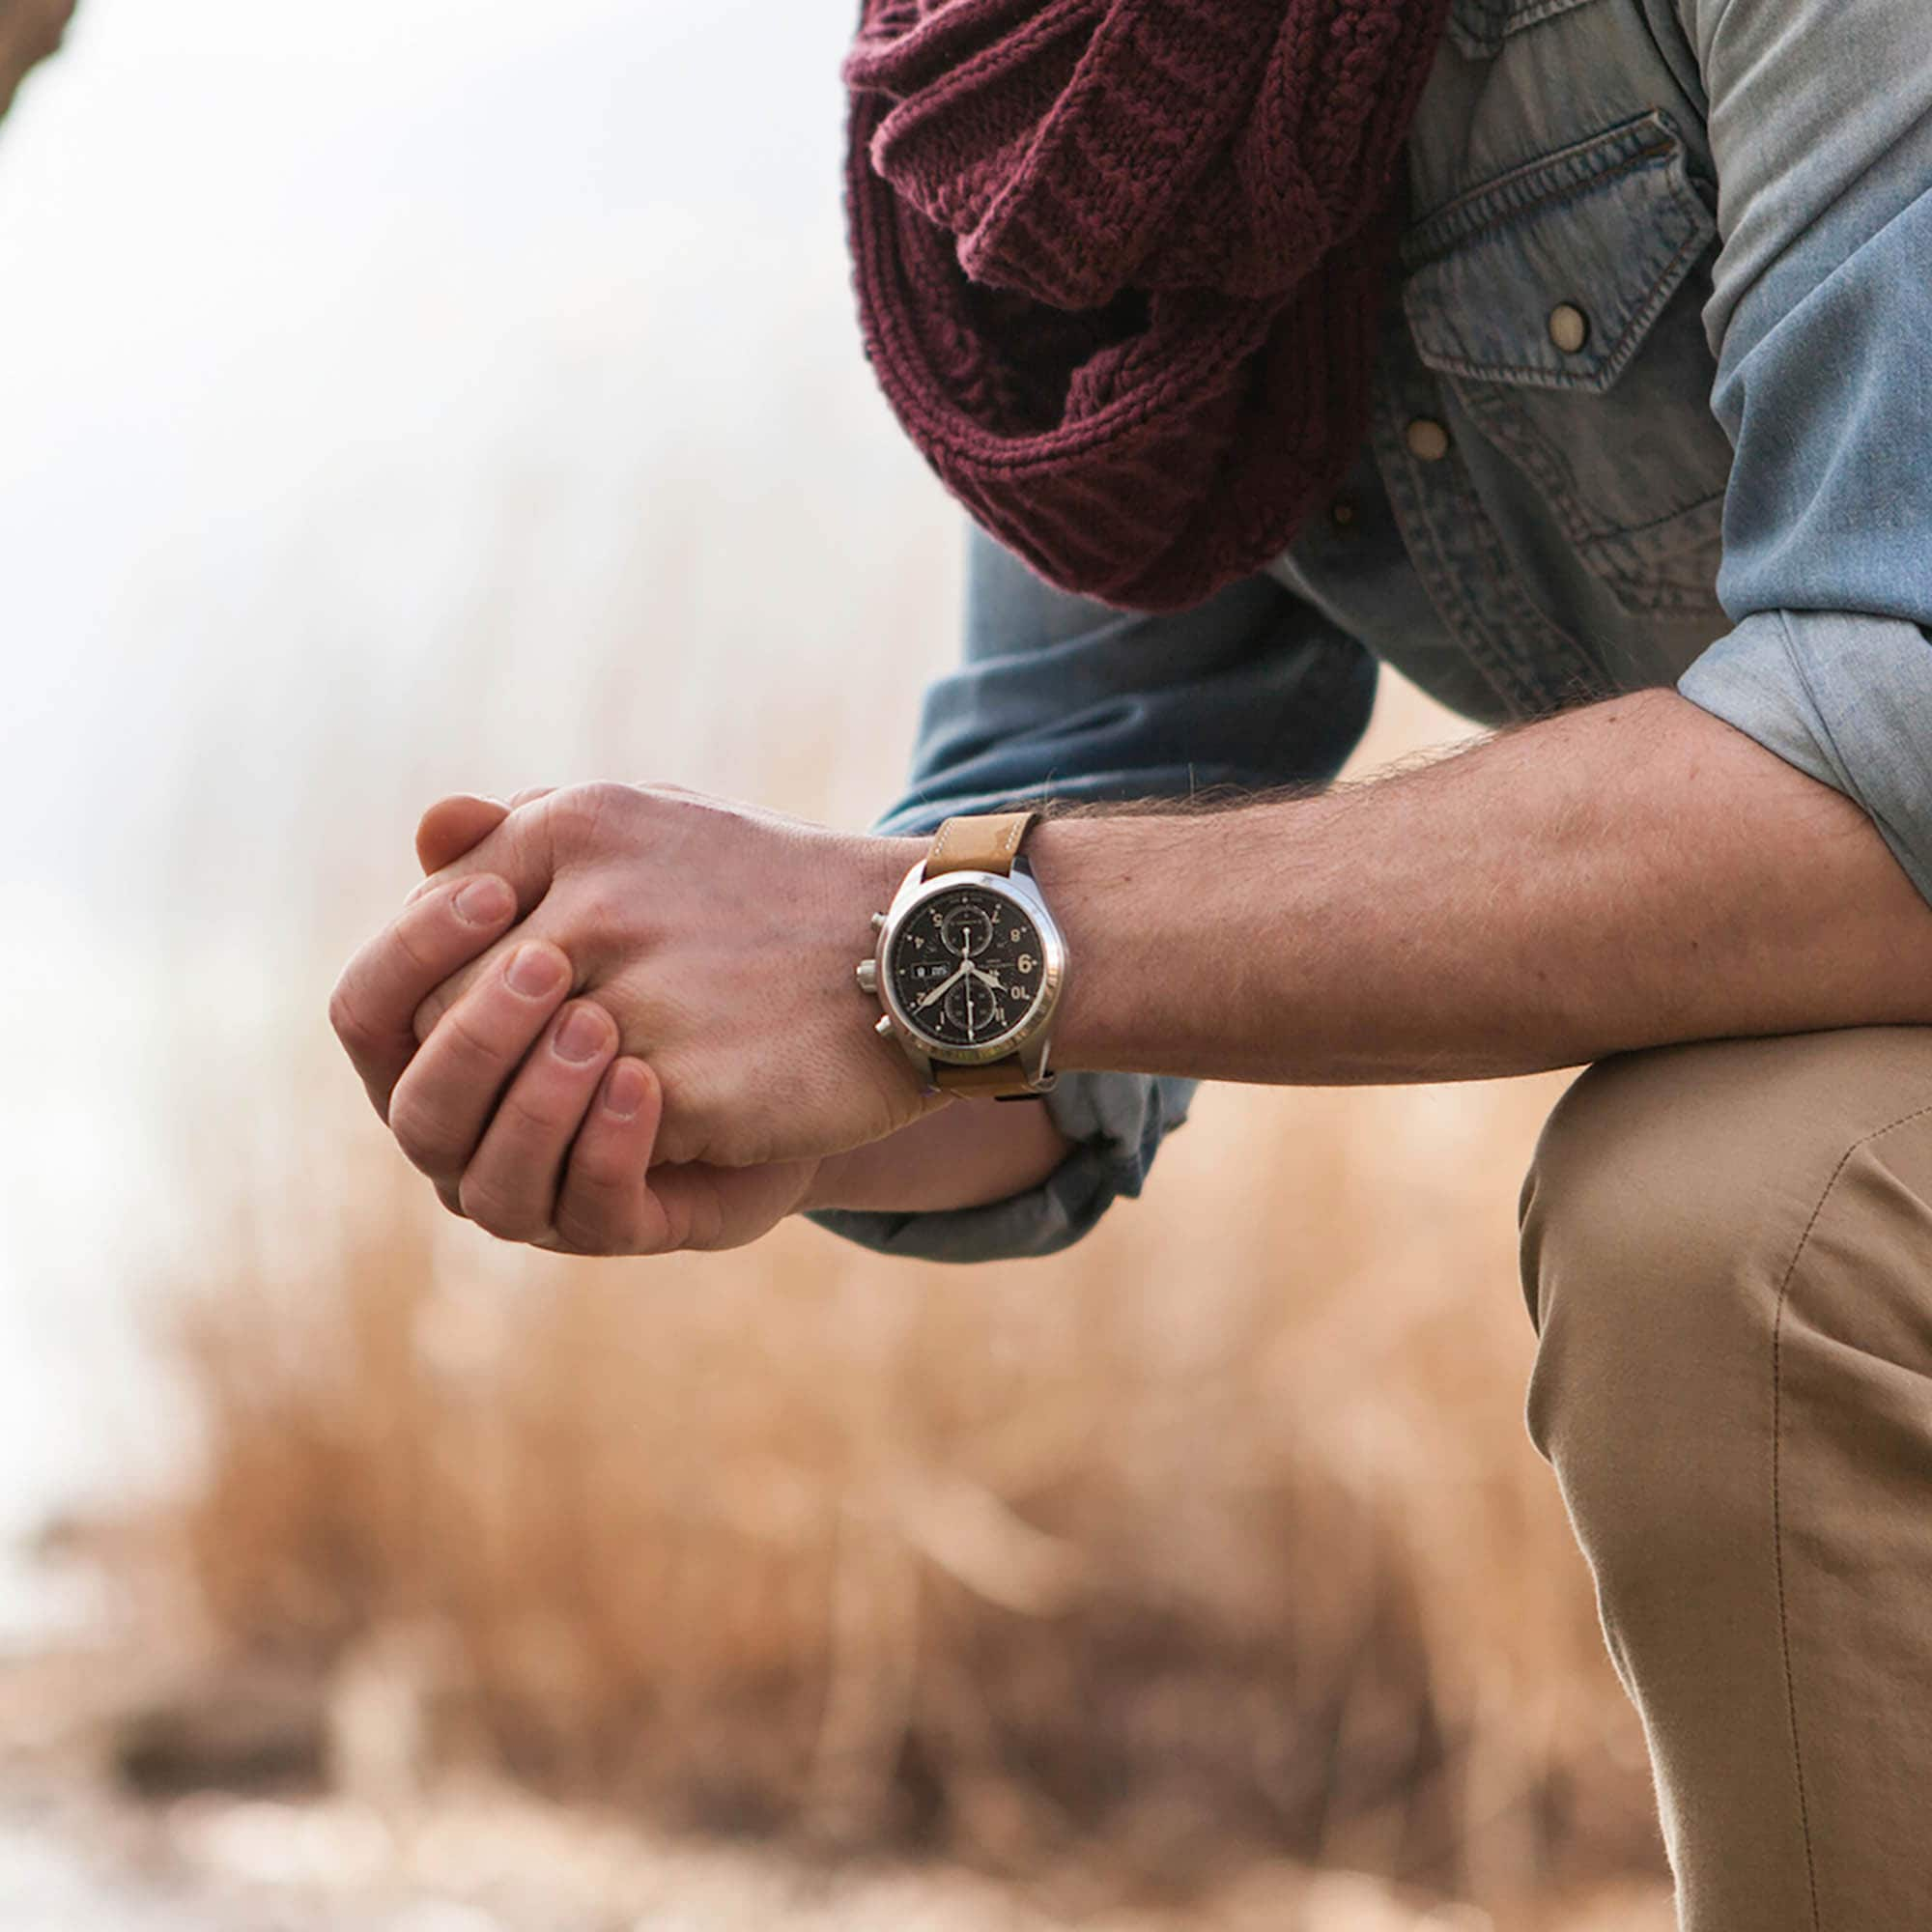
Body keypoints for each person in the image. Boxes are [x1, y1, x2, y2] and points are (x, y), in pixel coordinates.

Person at [329, 0, 1932, 1923]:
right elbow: (1057, 866)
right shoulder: (1055, 86)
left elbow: (1897, 730)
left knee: (1734, 1214)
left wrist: (907, 946)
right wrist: (702, 1060)